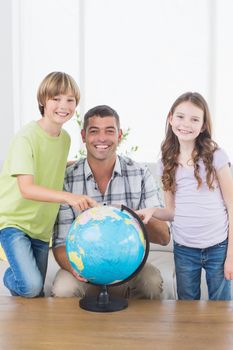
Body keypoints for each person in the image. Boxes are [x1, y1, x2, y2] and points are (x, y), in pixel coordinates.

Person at [52, 105, 170, 299]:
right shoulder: (67, 179)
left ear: (119, 135)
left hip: (129, 266)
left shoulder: (140, 174)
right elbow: (59, 244)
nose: (101, 138)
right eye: (94, 131)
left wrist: (126, 216)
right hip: (85, 269)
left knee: (152, 282)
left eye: (109, 131)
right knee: (63, 289)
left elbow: (164, 237)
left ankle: (138, 331)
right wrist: (82, 273)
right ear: (83, 136)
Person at [0, 72, 96, 298]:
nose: (63, 106)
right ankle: (8, 277)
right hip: (14, 222)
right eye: (56, 98)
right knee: (31, 287)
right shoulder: (27, 137)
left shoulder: (64, 139)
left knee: (36, 290)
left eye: (70, 100)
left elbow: (53, 165)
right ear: (43, 100)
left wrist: (85, 162)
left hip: (42, 229)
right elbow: (27, 188)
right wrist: (69, 197)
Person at [136, 92, 233, 300]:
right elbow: (171, 212)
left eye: (194, 119)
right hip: (185, 250)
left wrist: (231, 257)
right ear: (171, 119)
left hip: (219, 247)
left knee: (221, 311)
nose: (186, 124)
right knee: (187, 311)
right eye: (180, 117)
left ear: (204, 125)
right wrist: (152, 211)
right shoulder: (165, 162)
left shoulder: (217, 156)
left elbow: (232, 207)